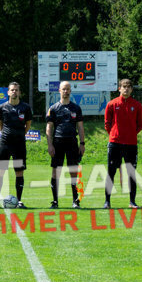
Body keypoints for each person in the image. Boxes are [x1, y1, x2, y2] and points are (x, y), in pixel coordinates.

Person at [104, 78, 142, 209]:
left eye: (128, 87)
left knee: (131, 173)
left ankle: (132, 201)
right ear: (119, 88)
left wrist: (130, 134)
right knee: (111, 172)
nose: (126, 89)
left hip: (131, 144)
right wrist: (115, 134)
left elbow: (140, 124)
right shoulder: (112, 104)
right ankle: (107, 202)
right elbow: (107, 123)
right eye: (123, 86)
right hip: (115, 143)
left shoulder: (137, 105)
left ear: (131, 89)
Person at [0, 81, 33, 208]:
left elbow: (28, 125)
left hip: (19, 144)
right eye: (12, 90)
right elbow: (0, 123)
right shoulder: (2, 107)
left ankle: (19, 201)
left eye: (16, 90)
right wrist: (5, 134)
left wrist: (19, 134)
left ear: (19, 92)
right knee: (0, 172)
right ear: (8, 92)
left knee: (19, 172)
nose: (14, 92)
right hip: (5, 143)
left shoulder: (25, 108)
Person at [46, 81, 85, 209]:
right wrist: (50, 145)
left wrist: (82, 143)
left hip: (72, 142)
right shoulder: (53, 108)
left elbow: (80, 127)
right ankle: (55, 201)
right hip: (58, 142)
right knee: (55, 172)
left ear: (70, 91)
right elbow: (49, 128)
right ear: (59, 90)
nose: (66, 91)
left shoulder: (76, 108)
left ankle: (75, 201)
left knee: (73, 172)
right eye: (63, 89)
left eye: (68, 89)